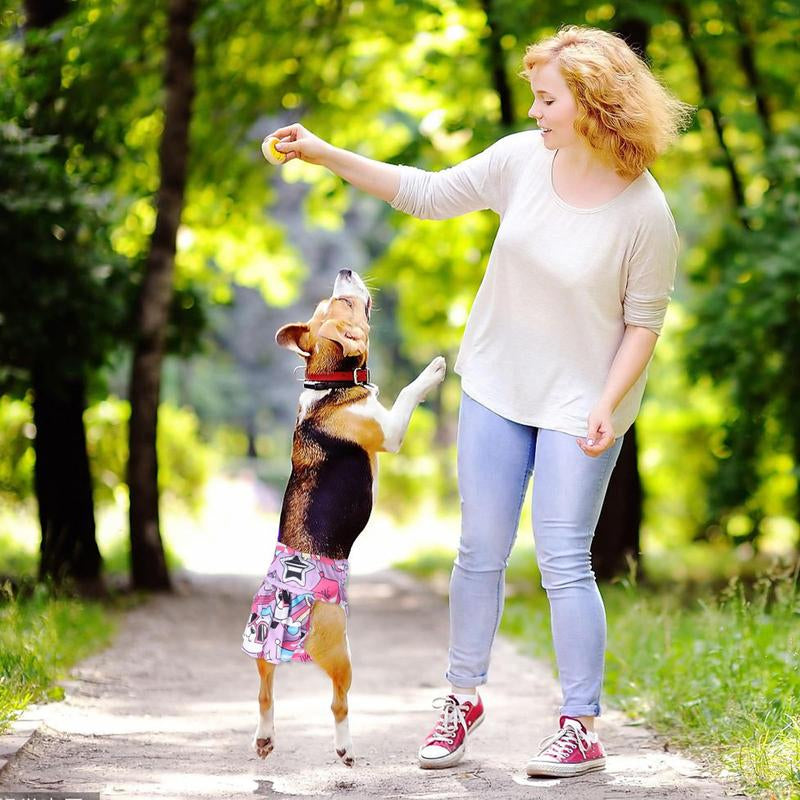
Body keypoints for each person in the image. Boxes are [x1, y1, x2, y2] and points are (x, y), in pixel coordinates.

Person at [264, 24, 692, 778]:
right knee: (478, 552)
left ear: (593, 103)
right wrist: (324, 153)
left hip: (582, 403)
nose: (535, 111)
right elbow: (425, 194)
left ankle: (579, 725)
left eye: (548, 99)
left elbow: (643, 324)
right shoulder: (523, 162)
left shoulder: (644, 213)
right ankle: (460, 701)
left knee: (564, 561)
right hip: (497, 381)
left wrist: (609, 401)